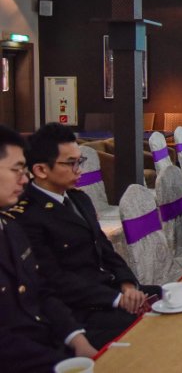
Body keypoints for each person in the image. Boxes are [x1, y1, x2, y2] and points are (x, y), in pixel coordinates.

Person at [15, 123, 157, 350]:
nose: (78, 169)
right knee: (149, 330)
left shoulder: (79, 200)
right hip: (81, 309)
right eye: (70, 163)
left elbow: (106, 250)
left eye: (79, 161)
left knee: (167, 297)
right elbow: (55, 280)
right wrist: (116, 300)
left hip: (109, 291)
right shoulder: (28, 216)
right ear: (41, 170)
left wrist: (128, 285)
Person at [0, 125, 97, 371]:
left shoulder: (9, 227)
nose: (24, 179)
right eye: (16, 170)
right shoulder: (23, 218)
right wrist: (57, 362)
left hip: (52, 339)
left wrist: (76, 338)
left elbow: (39, 291)